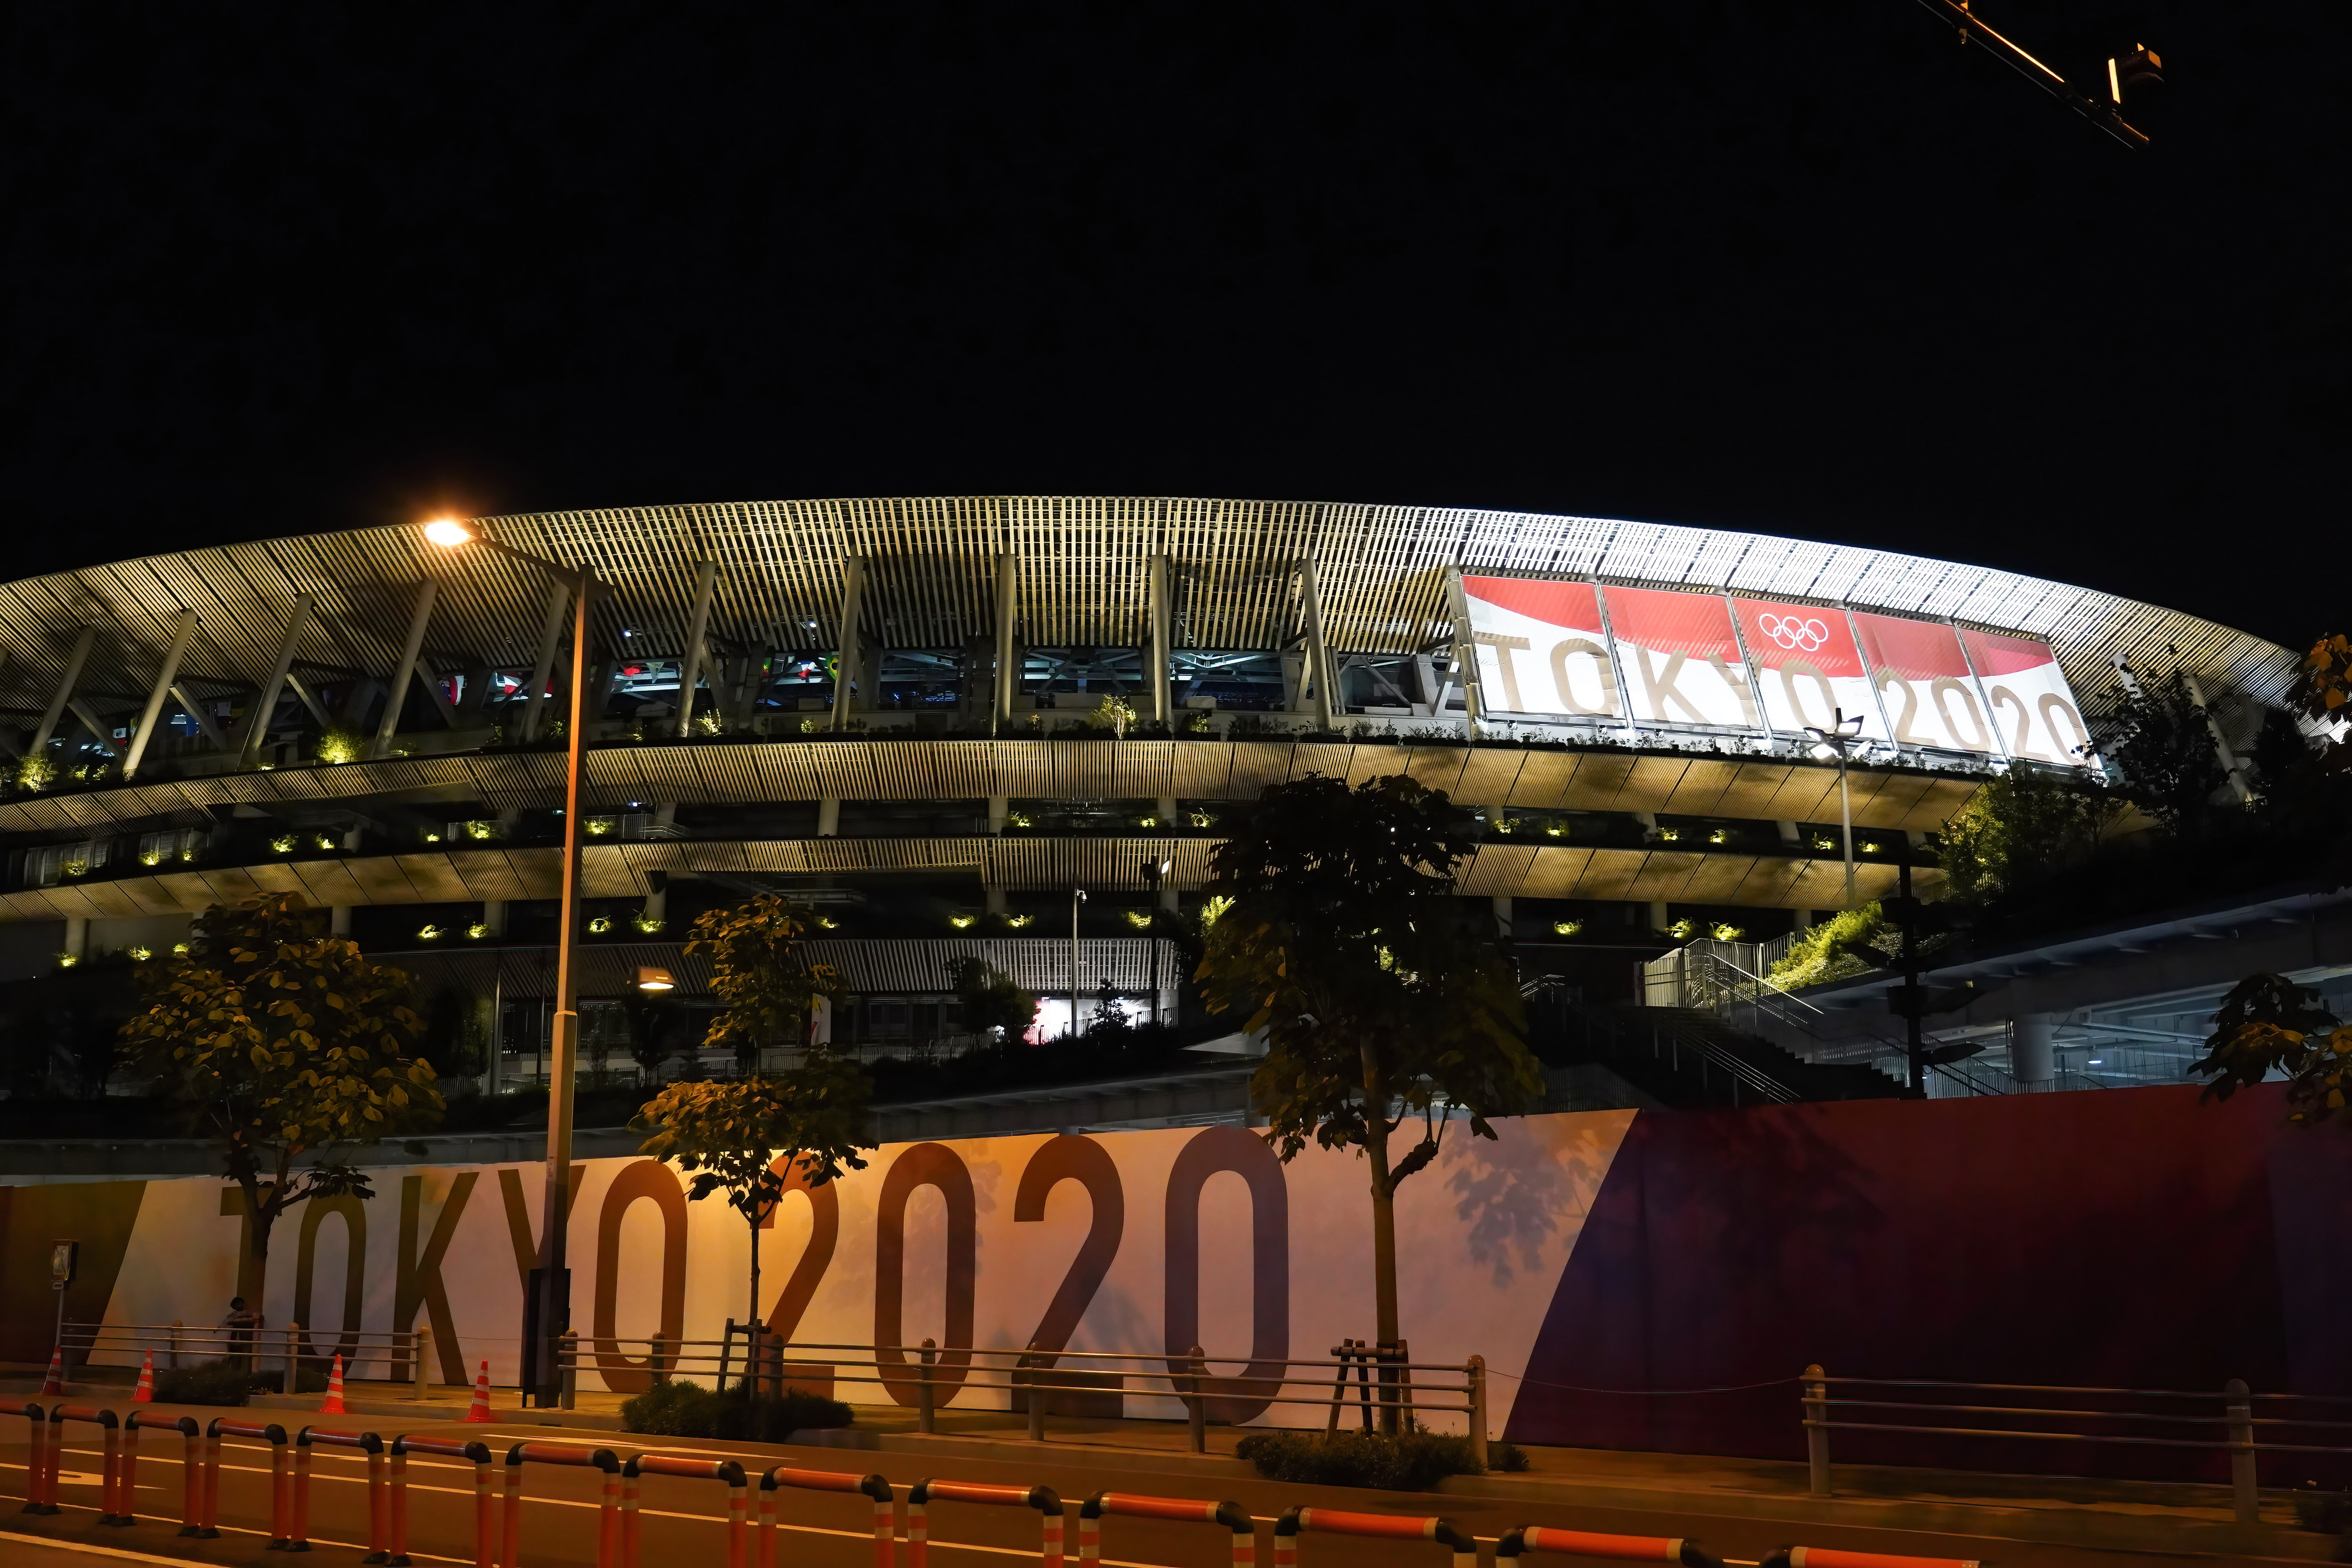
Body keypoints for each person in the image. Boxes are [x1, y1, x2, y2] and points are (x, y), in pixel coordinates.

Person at [222, 1296, 261, 1370]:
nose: (238, 1306)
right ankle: (233, 1372)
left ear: (243, 1304)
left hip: (245, 1339)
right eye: (237, 1305)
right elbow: (226, 1323)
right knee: (234, 1357)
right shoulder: (232, 1315)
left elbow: (254, 1321)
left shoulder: (249, 1314)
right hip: (234, 1339)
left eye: (239, 1304)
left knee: (245, 1358)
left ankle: (243, 1373)